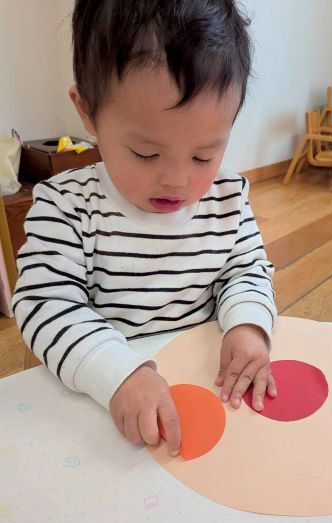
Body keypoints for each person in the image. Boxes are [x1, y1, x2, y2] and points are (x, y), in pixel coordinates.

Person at [13, 0, 277, 457]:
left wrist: (248, 325)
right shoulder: (67, 206)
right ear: (88, 112)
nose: (177, 180)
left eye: (204, 156)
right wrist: (117, 374)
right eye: (145, 154)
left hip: (204, 388)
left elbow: (247, 272)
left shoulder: (228, 200)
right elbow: (45, 305)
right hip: (106, 398)